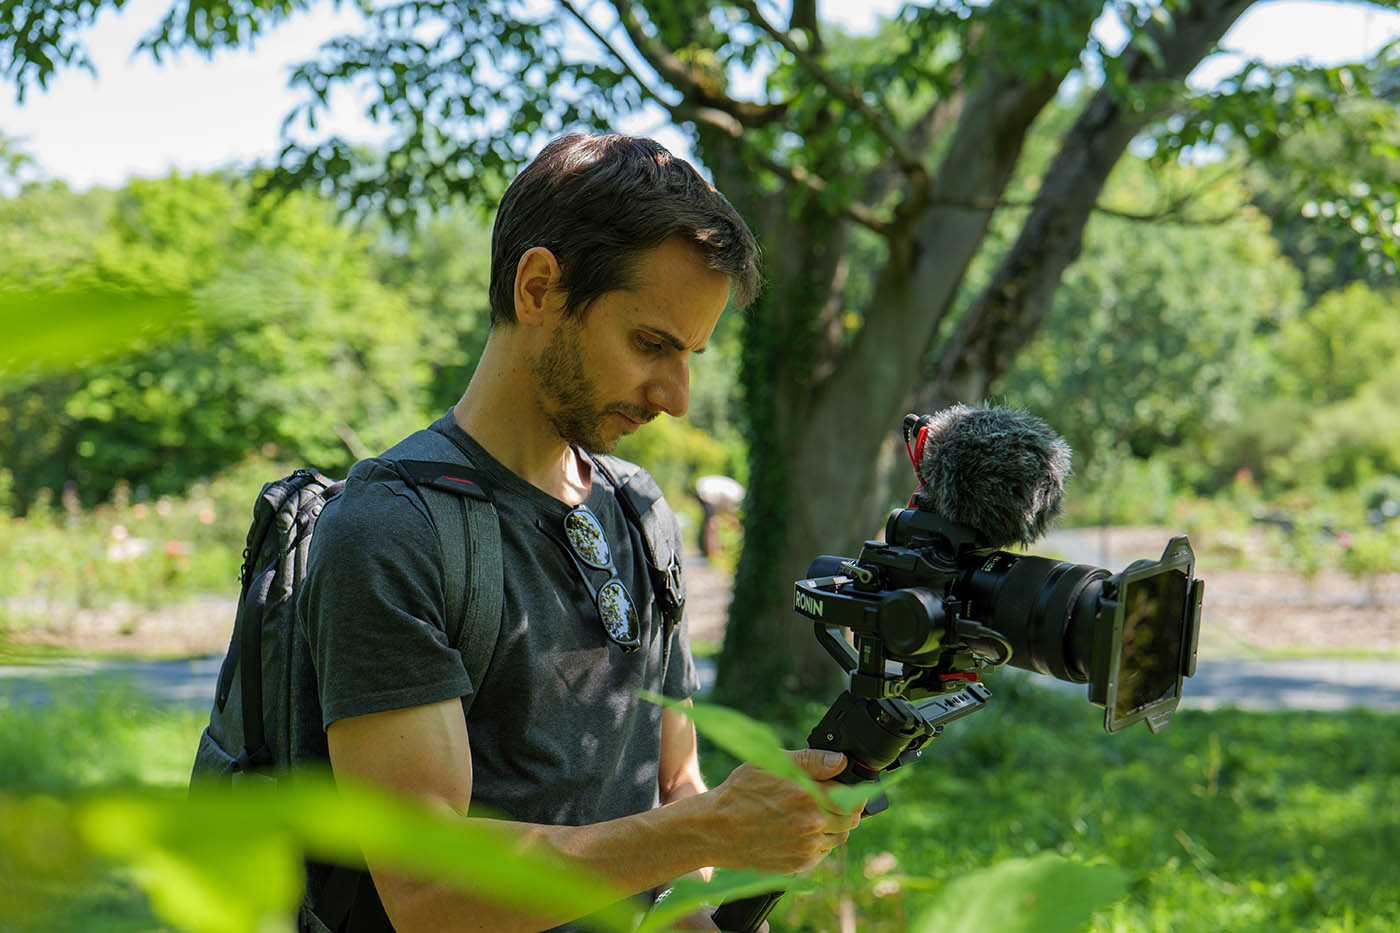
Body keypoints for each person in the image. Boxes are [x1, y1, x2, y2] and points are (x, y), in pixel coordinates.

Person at [295, 134, 861, 932]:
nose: (677, 395)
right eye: (651, 344)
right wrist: (707, 829)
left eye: (691, 354)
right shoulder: (396, 530)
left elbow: (674, 783)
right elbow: (427, 892)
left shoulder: (639, 511)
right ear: (538, 288)